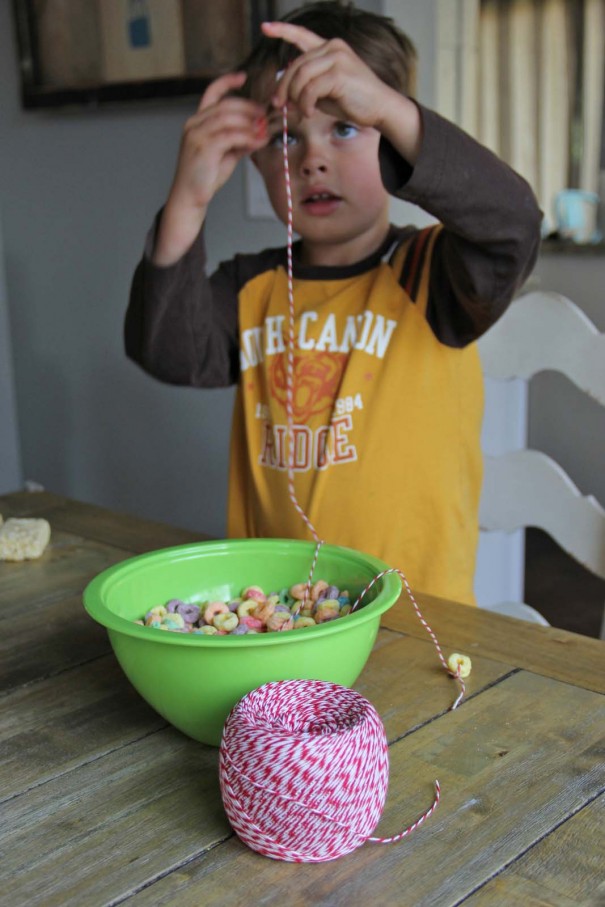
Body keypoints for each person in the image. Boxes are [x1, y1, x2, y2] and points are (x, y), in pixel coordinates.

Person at [125, 1, 542, 606]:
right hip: (274, 616)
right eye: (287, 136)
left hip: (416, 617)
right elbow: (164, 351)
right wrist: (187, 201)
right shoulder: (252, 288)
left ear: (392, 136)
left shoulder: (435, 276)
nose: (311, 159)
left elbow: (513, 224)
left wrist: (397, 113)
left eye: (344, 126)